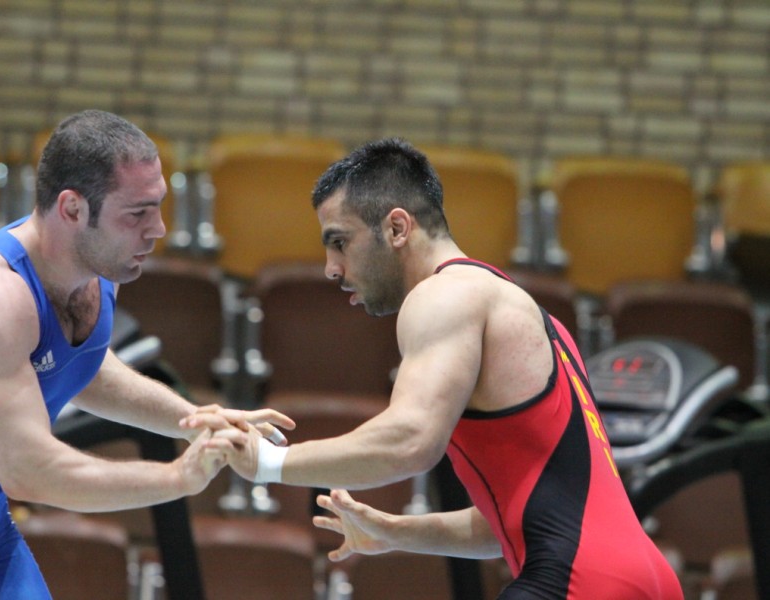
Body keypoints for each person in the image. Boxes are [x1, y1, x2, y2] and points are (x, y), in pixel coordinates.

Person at [187, 138, 684, 598]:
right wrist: (393, 531)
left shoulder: (443, 296)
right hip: (644, 578)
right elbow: (511, 522)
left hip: (579, 580)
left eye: (340, 242)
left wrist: (269, 462)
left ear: (397, 228)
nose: (331, 268)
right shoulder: (524, 311)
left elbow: (411, 439)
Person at [0, 110, 291, 599]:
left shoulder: (96, 272)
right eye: (136, 214)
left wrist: (196, 419)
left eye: (158, 207)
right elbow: (28, 471)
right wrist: (177, 476)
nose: (157, 229)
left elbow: (84, 367)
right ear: (72, 208)